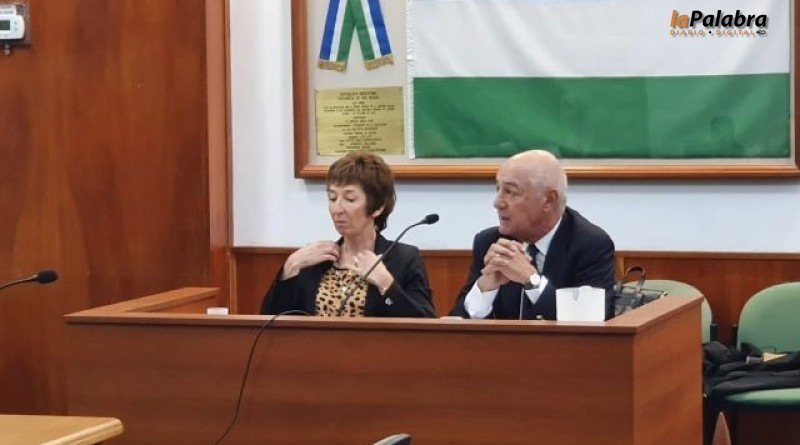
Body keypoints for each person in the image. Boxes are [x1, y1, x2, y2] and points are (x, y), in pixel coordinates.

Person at [260, 151, 436, 318]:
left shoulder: (404, 259)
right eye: (332, 198)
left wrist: (386, 284)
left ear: (378, 207)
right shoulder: (316, 261)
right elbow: (269, 323)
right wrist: (291, 266)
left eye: (350, 199)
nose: (337, 209)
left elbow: (425, 326)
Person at [449, 149, 615, 320]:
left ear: (548, 200)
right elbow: (456, 325)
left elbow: (590, 322)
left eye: (511, 192)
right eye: (498, 189)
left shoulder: (590, 244)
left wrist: (532, 280)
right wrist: (485, 290)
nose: (497, 203)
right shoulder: (491, 242)